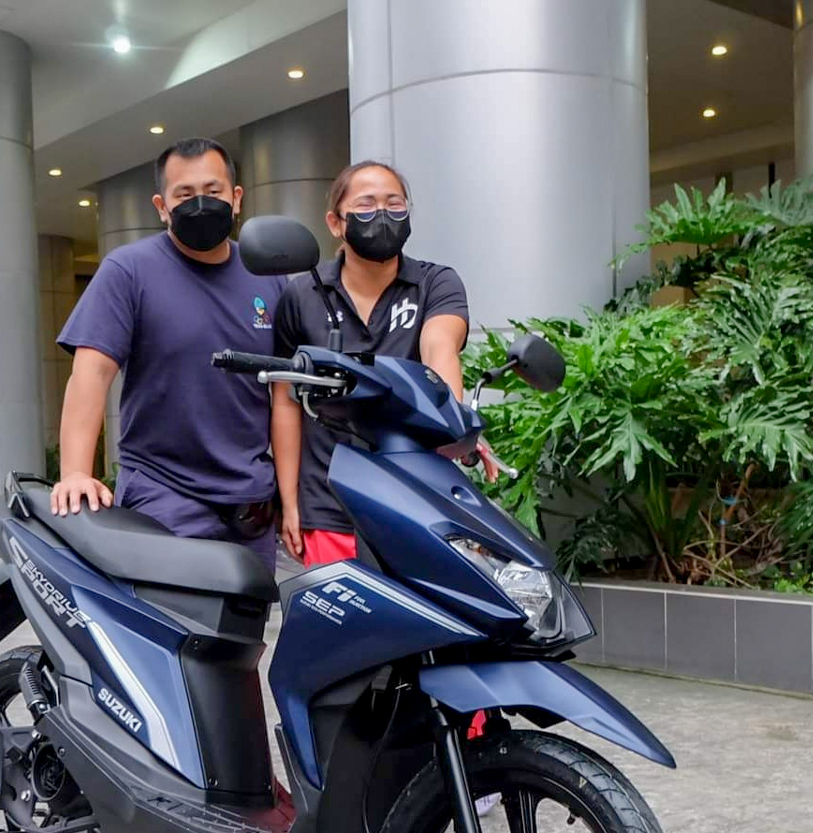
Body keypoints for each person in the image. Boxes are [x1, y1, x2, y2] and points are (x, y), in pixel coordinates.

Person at [50, 136, 289, 572]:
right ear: (162, 207)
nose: (201, 204)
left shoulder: (268, 277)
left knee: (247, 618)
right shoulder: (128, 271)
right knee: (175, 613)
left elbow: (285, 395)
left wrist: (290, 499)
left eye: (213, 191)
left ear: (236, 198)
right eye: (185, 195)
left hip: (250, 505)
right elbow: (91, 373)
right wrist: (76, 473)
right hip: (164, 494)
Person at [270, 160, 495, 567]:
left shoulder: (435, 283)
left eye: (395, 205)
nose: (382, 215)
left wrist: (454, 424)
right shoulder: (302, 295)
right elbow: (286, 399)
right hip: (329, 501)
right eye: (366, 205)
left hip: (415, 498)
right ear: (336, 223)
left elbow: (439, 349)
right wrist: (289, 501)